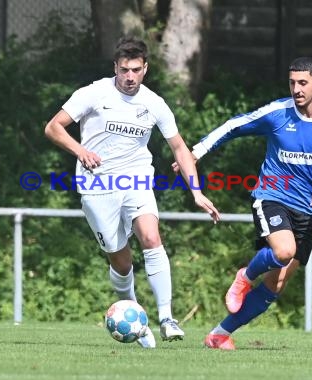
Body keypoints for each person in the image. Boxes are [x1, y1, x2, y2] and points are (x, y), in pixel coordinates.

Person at [45, 36, 220, 348]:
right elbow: (54, 127)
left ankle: (167, 317)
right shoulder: (93, 93)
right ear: (115, 67)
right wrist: (80, 150)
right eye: (124, 70)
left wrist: (196, 192)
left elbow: (179, 147)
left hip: (136, 180)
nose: (129, 77)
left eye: (135, 70)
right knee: (122, 263)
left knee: (152, 238)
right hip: (96, 185)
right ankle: (137, 318)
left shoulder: (154, 104)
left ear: (145, 69)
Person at [179, 57, 312, 349]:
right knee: (284, 251)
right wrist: (197, 152)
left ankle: (219, 334)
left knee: (276, 283)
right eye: (292, 82)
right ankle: (244, 276)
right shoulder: (278, 113)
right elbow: (236, 125)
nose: (296, 89)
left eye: (303, 83)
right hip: (272, 197)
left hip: (307, 209)